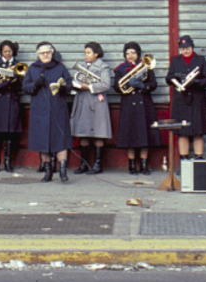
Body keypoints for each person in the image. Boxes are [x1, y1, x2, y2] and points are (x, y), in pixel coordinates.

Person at [24, 42, 73, 182]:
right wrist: (35, 84)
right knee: (42, 142)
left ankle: (63, 171)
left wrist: (63, 87)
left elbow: (69, 84)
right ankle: (48, 172)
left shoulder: (60, 67)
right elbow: (25, 87)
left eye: (48, 52)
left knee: (60, 140)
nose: (45, 55)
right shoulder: (33, 69)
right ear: (38, 54)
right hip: (39, 111)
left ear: (52, 53)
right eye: (42, 53)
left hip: (59, 109)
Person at [113, 42, 157, 175]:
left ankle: (144, 165)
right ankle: (131, 164)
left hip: (144, 104)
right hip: (128, 105)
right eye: (127, 53)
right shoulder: (120, 69)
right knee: (129, 136)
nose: (130, 55)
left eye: (132, 52)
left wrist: (141, 86)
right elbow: (116, 87)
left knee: (144, 136)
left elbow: (154, 85)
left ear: (138, 54)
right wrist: (128, 84)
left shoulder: (145, 67)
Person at [166, 35, 206, 162]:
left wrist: (196, 82)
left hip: (197, 101)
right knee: (182, 132)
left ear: (192, 47)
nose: (185, 50)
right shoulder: (175, 60)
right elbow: (168, 78)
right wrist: (176, 77)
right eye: (182, 48)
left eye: (187, 47)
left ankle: (199, 161)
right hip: (181, 101)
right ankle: (184, 162)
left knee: (198, 132)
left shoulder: (201, 60)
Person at [70, 41, 112, 174]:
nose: (86, 55)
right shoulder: (82, 66)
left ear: (96, 53)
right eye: (85, 53)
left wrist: (87, 86)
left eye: (88, 53)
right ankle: (84, 164)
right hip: (82, 101)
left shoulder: (103, 67)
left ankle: (97, 165)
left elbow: (106, 85)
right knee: (83, 134)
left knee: (98, 133)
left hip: (96, 103)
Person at [0, 40, 24, 173]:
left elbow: (23, 84)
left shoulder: (18, 65)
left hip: (12, 101)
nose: (7, 54)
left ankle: (7, 162)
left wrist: (15, 79)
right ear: (1, 51)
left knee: (10, 134)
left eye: (10, 51)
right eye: (5, 51)